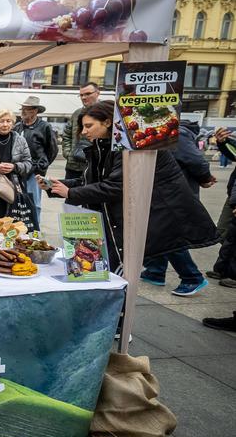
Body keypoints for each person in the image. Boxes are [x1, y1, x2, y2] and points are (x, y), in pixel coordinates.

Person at [41, 101, 218, 279]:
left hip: (152, 214)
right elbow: (90, 180)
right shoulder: (104, 145)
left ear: (108, 123)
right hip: (124, 216)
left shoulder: (130, 147)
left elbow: (118, 186)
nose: (83, 132)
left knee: (118, 270)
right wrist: (57, 186)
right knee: (103, 270)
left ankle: (188, 278)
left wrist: (70, 193)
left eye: (88, 126)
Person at [139, 118, 215, 295]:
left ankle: (192, 277)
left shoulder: (177, 134)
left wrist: (205, 179)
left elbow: (197, 161)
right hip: (164, 190)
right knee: (156, 231)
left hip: (176, 193)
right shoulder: (158, 132)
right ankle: (156, 271)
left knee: (171, 235)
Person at [13, 95, 58, 220]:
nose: (23, 111)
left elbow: (52, 149)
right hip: (19, 169)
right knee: (18, 200)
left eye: (27, 109)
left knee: (34, 202)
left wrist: (42, 165)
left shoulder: (44, 126)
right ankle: (20, 227)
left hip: (35, 171)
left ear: (35, 111)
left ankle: (35, 231)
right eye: (22, 108)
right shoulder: (18, 126)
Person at [206, 128, 236, 288]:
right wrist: (223, 142)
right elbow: (234, 154)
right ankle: (223, 268)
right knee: (225, 232)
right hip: (233, 195)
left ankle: (233, 274)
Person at [62, 82, 98, 181]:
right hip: (73, 166)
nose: (84, 97)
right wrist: (68, 153)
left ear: (97, 93)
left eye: (87, 94)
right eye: (81, 95)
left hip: (95, 166)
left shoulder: (105, 113)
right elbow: (66, 135)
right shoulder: (76, 114)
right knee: (70, 194)